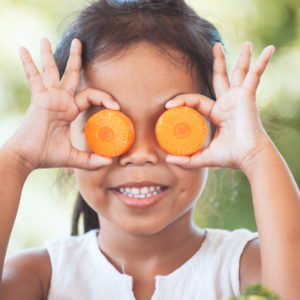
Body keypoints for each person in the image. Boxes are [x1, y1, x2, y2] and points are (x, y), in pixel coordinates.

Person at [0, 0, 299, 299]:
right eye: (107, 127)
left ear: (216, 134)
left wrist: (256, 155)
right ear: (63, 138)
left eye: (172, 123)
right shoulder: (38, 277)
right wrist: (17, 158)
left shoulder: (245, 267)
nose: (141, 153)